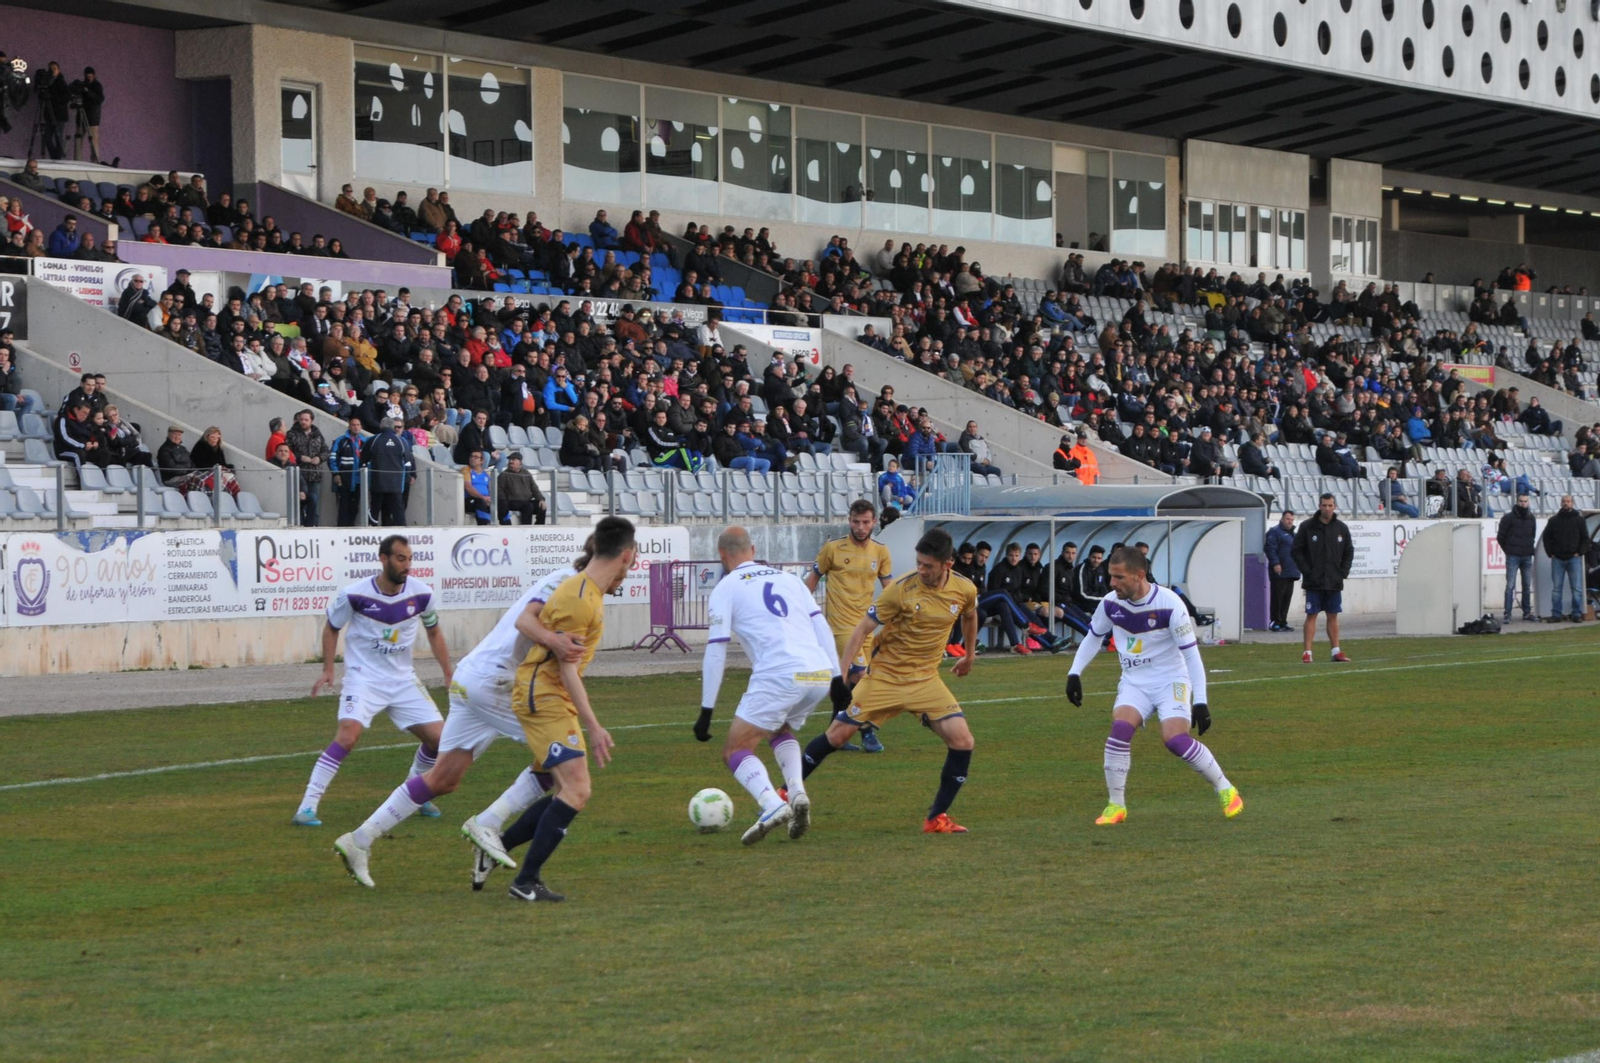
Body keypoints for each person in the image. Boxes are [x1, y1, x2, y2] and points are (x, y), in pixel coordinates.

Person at [334, 543, 594, 891]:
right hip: (497, 681)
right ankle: (489, 825)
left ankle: (359, 839)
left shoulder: (572, 585)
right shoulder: (568, 584)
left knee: (443, 779)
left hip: (476, 679)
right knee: (563, 761)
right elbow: (526, 622)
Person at [800, 527, 981, 834]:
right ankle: (781, 793)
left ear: (947, 563)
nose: (921, 570)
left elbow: (970, 615)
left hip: (925, 680)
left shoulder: (964, 589)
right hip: (884, 678)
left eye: (928, 565)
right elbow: (861, 630)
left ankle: (936, 818)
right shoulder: (900, 590)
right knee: (837, 736)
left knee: (963, 741)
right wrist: (840, 678)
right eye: (919, 563)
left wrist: (969, 654)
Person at [495, 517, 636, 902]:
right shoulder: (578, 597)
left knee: (565, 790)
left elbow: (535, 628)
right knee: (577, 789)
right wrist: (594, 725)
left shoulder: (588, 591)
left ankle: (495, 849)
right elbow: (566, 667)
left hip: (550, 692)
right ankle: (524, 882)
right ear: (627, 555)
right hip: (545, 693)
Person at [1065, 546, 1242, 825]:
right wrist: (1074, 673)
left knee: (1175, 740)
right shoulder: (1110, 603)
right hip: (1134, 682)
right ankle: (1116, 806)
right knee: (1120, 729)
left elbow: (1191, 655)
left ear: (1139, 575)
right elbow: (1093, 637)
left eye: (1119, 577)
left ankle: (1226, 789)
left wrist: (1201, 701)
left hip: (1170, 680)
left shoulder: (1170, 604)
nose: (1112, 583)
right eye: (1110, 576)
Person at [695, 526, 842, 844]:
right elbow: (821, 626)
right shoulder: (789, 579)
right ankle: (797, 793)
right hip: (816, 673)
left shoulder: (726, 587)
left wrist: (707, 708)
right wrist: (837, 678)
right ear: (753, 548)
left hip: (779, 673)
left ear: (722, 556)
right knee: (780, 729)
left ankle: (770, 803)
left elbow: (716, 647)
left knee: (735, 749)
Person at [304, 535, 454, 832]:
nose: (407, 565)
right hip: (364, 678)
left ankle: (417, 791)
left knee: (441, 741)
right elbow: (332, 628)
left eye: (410, 559)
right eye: (401, 558)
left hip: (403, 681)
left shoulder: (422, 594)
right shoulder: (354, 594)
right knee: (347, 737)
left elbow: (435, 633)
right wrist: (328, 670)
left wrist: (448, 672)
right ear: (383, 559)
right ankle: (307, 806)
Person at [804, 500, 894, 754]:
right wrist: (799, 612)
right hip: (840, 626)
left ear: (874, 522)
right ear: (849, 521)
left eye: (866, 522)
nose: (861, 527)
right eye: (856, 521)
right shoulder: (832, 549)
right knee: (859, 675)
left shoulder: (880, 551)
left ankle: (836, 734)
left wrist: (900, 612)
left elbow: (889, 588)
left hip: (866, 626)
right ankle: (865, 730)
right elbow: (811, 580)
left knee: (844, 681)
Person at [1291, 493, 1355, 663]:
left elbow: (1349, 550)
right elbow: (1296, 550)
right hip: (1314, 580)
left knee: (1333, 615)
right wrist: (1307, 570)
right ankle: (1307, 652)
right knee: (1311, 615)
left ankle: (1336, 651)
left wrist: (1343, 571)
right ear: (1319, 506)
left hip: (1334, 580)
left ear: (1335, 507)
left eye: (1330, 505)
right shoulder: (1307, 527)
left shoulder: (1341, 528)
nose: (1327, 508)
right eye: (1324, 505)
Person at [1540, 495, 1590, 623]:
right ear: (1560, 503)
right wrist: (1550, 553)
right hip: (1557, 559)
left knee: (1577, 588)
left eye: (1568, 501)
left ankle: (1577, 614)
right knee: (1557, 589)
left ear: (1572, 503)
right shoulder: (1553, 520)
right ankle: (1556, 614)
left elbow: (1585, 538)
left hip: (1574, 558)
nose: (1565, 503)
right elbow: (1546, 537)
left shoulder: (1579, 520)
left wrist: (1580, 552)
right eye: (1563, 501)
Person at [1496, 493, 1537, 623]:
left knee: (1526, 585)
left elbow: (1532, 535)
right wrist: (1509, 550)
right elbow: (1501, 537)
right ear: (1517, 502)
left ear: (1528, 502)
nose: (1523, 503)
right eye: (1521, 501)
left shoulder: (1531, 518)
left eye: (1525, 501)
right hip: (1513, 555)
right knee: (1510, 585)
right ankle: (1507, 613)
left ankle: (1526, 612)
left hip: (1526, 556)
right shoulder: (1508, 518)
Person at [366, 417, 412, 526]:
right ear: (392, 427)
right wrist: (406, 479)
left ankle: (372, 534)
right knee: (398, 511)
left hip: (377, 482)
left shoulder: (373, 440)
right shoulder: (402, 441)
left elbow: (364, 460)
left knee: (375, 509)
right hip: (396, 484)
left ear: (380, 426)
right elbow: (408, 462)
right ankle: (401, 534)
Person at [285, 410, 328, 527]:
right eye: (301, 419)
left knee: (314, 505)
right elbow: (287, 452)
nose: (303, 422)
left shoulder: (317, 434)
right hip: (299, 475)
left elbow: (326, 451)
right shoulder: (291, 434)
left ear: (311, 421)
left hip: (315, 475)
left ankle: (313, 527)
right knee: (298, 504)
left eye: (306, 420)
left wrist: (319, 458)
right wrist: (300, 458)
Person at [1263, 509, 1299, 632]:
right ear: (1282, 519)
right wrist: (1275, 563)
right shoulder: (1275, 532)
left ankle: (1283, 621)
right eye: (1288, 519)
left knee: (1286, 598)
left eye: (1292, 519)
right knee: (1277, 598)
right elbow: (1270, 549)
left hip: (1291, 571)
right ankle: (1275, 622)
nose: (1290, 521)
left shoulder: (1293, 534)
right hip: (1279, 572)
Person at [329, 416, 365, 527]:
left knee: (355, 508)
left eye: (358, 425)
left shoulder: (364, 441)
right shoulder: (341, 440)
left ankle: (351, 531)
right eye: (353, 425)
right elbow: (332, 458)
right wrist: (336, 473)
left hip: (359, 481)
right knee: (343, 507)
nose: (356, 427)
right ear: (349, 426)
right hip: (344, 480)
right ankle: (341, 530)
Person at [498, 451, 546, 525]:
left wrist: (541, 499)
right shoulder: (504, 475)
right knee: (528, 506)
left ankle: (538, 528)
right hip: (512, 501)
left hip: (526, 500)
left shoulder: (526, 474)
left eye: (513, 459)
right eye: (510, 460)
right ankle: (526, 528)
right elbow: (500, 491)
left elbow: (534, 488)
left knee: (541, 506)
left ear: (520, 462)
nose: (510, 461)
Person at [462, 449, 493, 524]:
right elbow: (468, 487)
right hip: (470, 500)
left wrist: (490, 498)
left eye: (476, 457)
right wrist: (483, 497)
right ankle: (484, 526)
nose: (472, 458)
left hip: (485, 500)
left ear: (481, 461)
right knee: (480, 502)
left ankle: (508, 527)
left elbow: (491, 489)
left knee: (501, 503)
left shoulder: (486, 474)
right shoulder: (466, 470)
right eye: (471, 456)